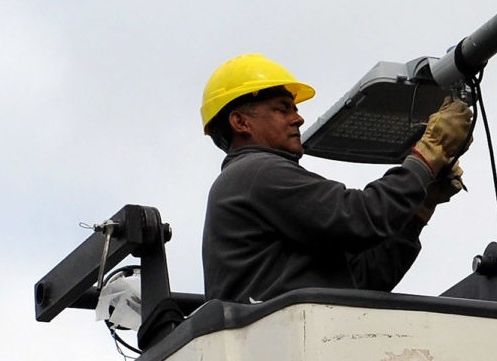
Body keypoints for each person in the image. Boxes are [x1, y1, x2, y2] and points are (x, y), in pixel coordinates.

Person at [199, 54, 472, 303]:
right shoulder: (256, 173)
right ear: (241, 123)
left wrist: (421, 206)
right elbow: (359, 216)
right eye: (282, 109)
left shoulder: (254, 182)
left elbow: (365, 279)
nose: (299, 118)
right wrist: (427, 154)